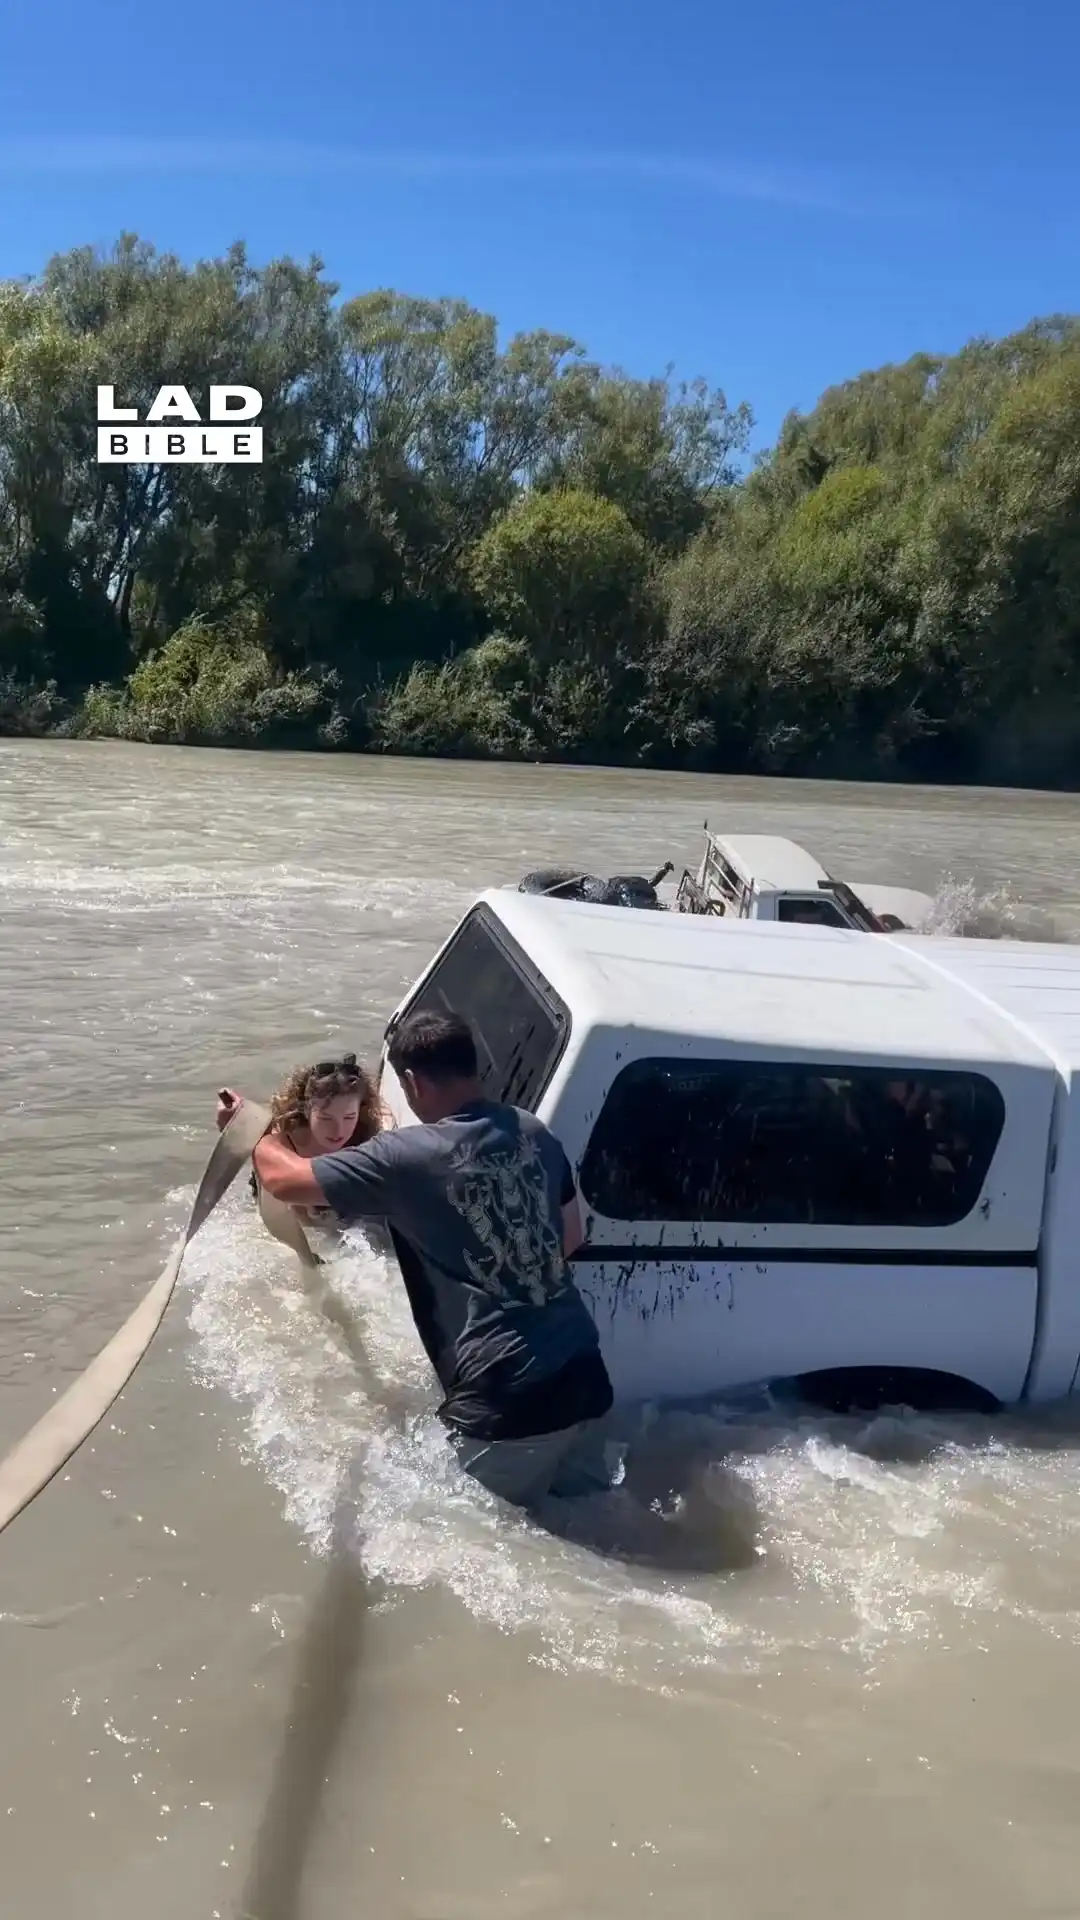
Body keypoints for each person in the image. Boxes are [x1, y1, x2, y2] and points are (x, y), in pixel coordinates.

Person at [248, 1011, 615, 1509]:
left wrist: (256, 1130)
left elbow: (285, 1179)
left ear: (413, 1082)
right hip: (586, 1373)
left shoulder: (407, 1155)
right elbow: (569, 1238)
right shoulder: (532, 1131)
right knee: (594, 1523)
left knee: (470, 1531)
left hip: (508, 1398)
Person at [216, 1053, 387, 1223]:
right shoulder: (284, 1139)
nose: (338, 1130)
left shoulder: (367, 1139)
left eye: (349, 1117)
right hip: (282, 1199)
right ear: (306, 1111)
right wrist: (236, 1127)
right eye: (326, 1118)